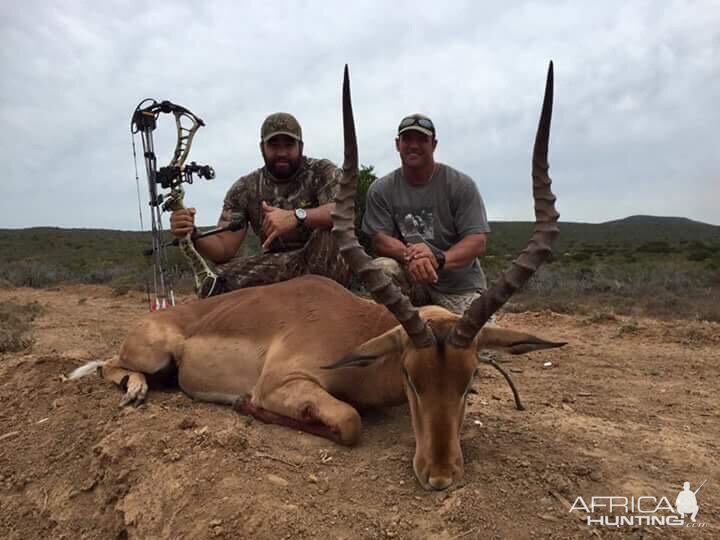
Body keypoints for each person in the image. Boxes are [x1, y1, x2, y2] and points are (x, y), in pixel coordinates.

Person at [170, 112, 351, 295]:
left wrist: (297, 216)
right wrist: (192, 233)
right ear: (262, 147)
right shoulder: (245, 188)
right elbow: (224, 248)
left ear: (301, 146)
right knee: (215, 280)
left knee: (333, 233)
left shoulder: (322, 171)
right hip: (278, 266)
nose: (281, 153)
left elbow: (343, 211)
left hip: (323, 261)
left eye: (289, 145)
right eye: (273, 145)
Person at [362, 113, 490, 314]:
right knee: (381, 269)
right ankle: (397, 325)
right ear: (398, 144)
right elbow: (380, 240)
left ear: (434, 144)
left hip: (458, 288)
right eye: (407, 139)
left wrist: (437, 259)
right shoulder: (381, 189)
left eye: (422, 139)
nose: (414, 145)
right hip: (413, 283)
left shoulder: (461, 184)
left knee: (480, 342)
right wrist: (412, 256)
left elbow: (477, 241)